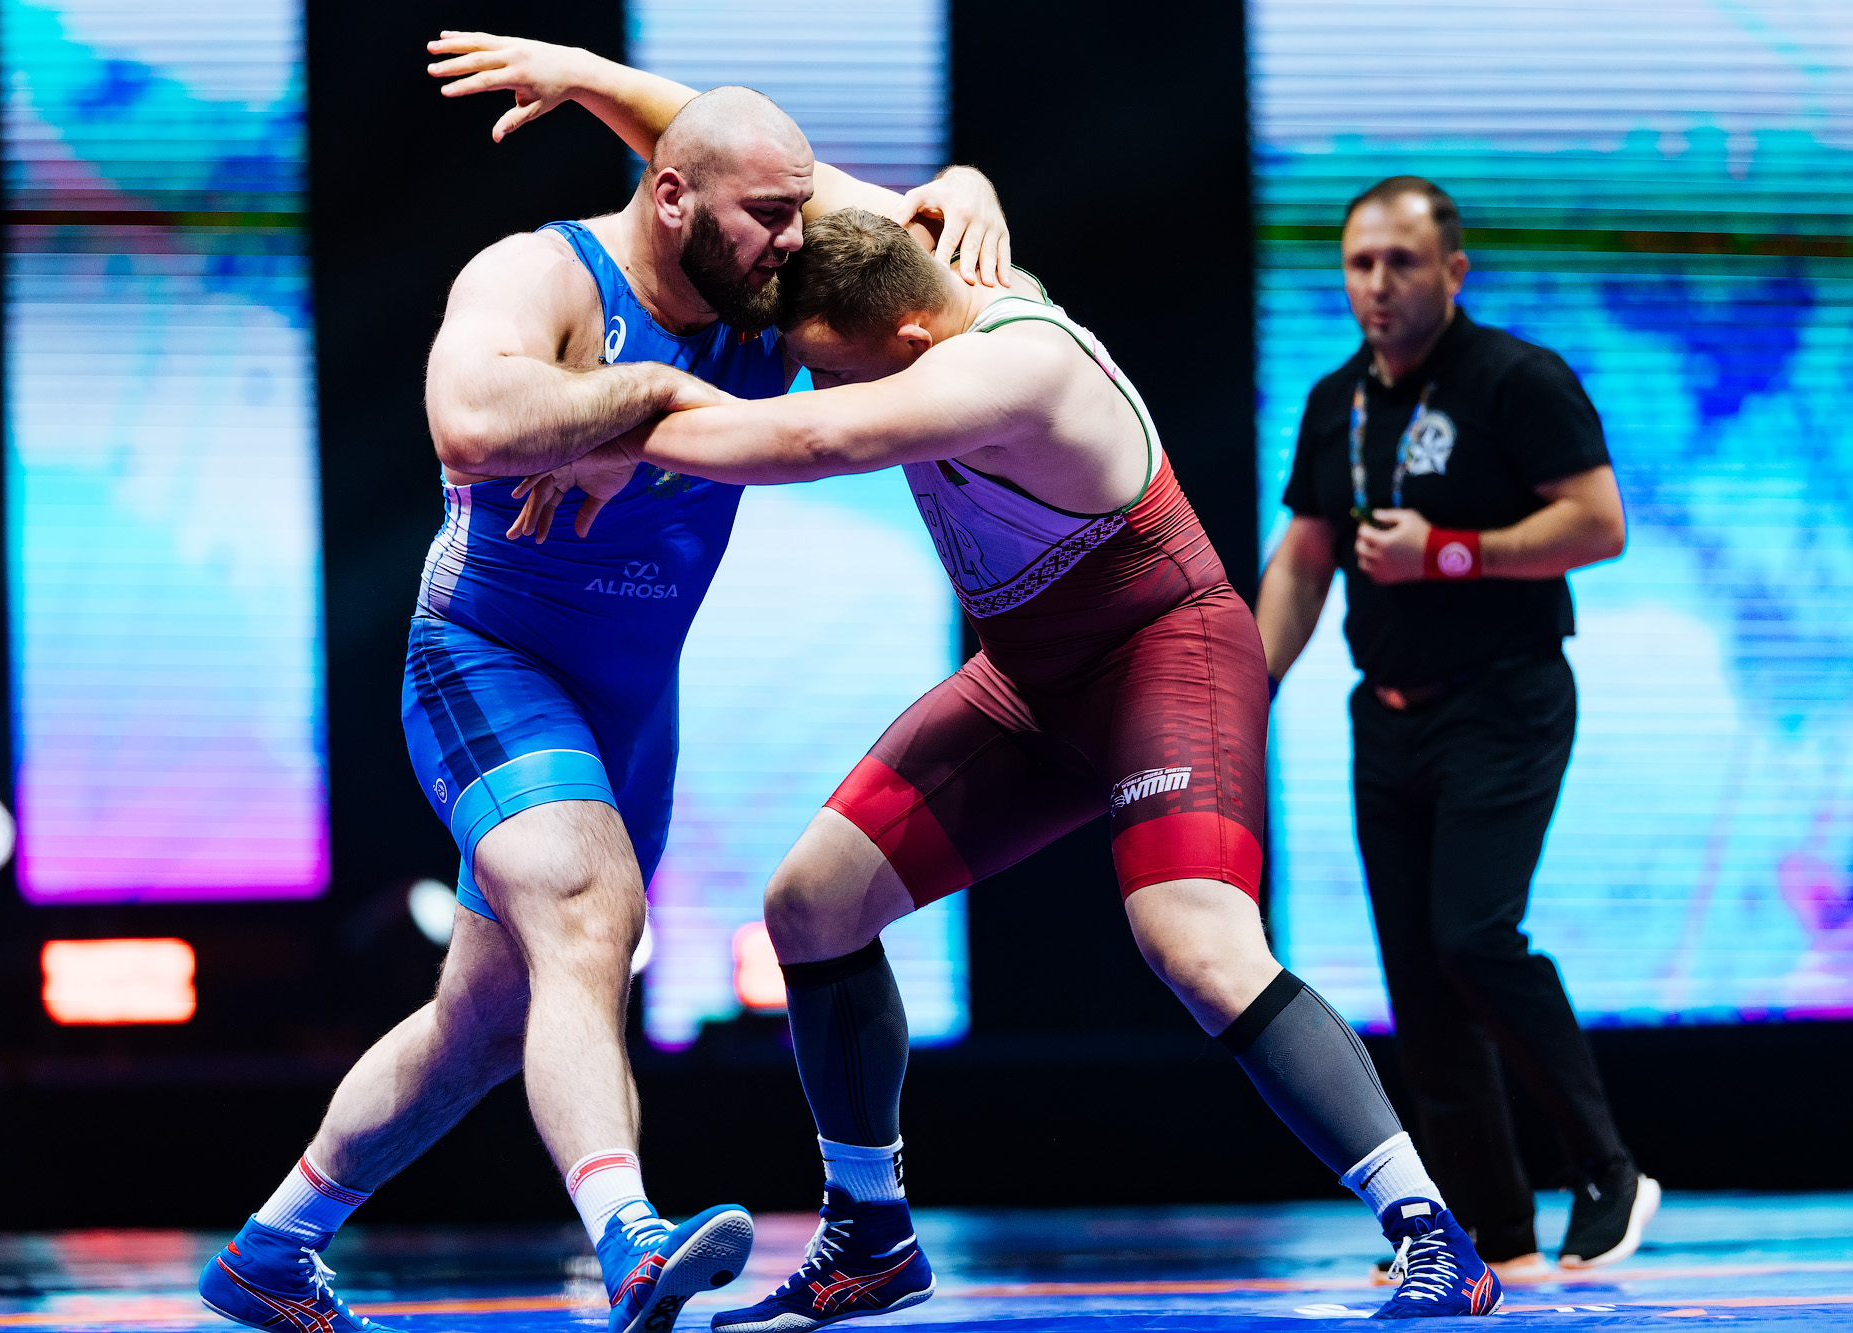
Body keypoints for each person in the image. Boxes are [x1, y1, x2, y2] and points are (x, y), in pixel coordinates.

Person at [524, 207, 1507, 1320]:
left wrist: (594, 422)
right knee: (811, 904)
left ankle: (1433, 1235)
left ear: (906, 343)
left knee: (1196, 942)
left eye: (831, 370)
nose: (817, 388)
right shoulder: (917, 287)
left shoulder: (1014, 364)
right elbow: (776, 177)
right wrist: (605, 102)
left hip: (1163, 656)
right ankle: (870, 1235)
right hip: (1029, 679)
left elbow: (812, 442)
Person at [195, 33, 1013, 1333]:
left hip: (630, 705)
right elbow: (469, 421)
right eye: (767, 214)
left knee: (483, 1022)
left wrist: (962, 184)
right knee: (591, 914)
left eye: (800, 212)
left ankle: (270, 1251)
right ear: (671, 198)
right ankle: (630, 1237)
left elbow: (928, 251)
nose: (792, 240)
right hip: (487, 661)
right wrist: (642, 397)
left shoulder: (766, 271)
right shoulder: (541, 275)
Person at [1254, 176, 1657, 1280]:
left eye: (1401, 262)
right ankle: (1489, 1228)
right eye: (1359, 264)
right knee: (1421, 990)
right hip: (1386, 717)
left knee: (1473, 937)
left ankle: (1607, 1169)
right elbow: (1303, 561)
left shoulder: (1514, 378)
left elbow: (1599, 523)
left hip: (1504, 698)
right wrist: (1246, 689)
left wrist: (1449, 552)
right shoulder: (1335, 400)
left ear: (1452, 271)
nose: (1377, 284)